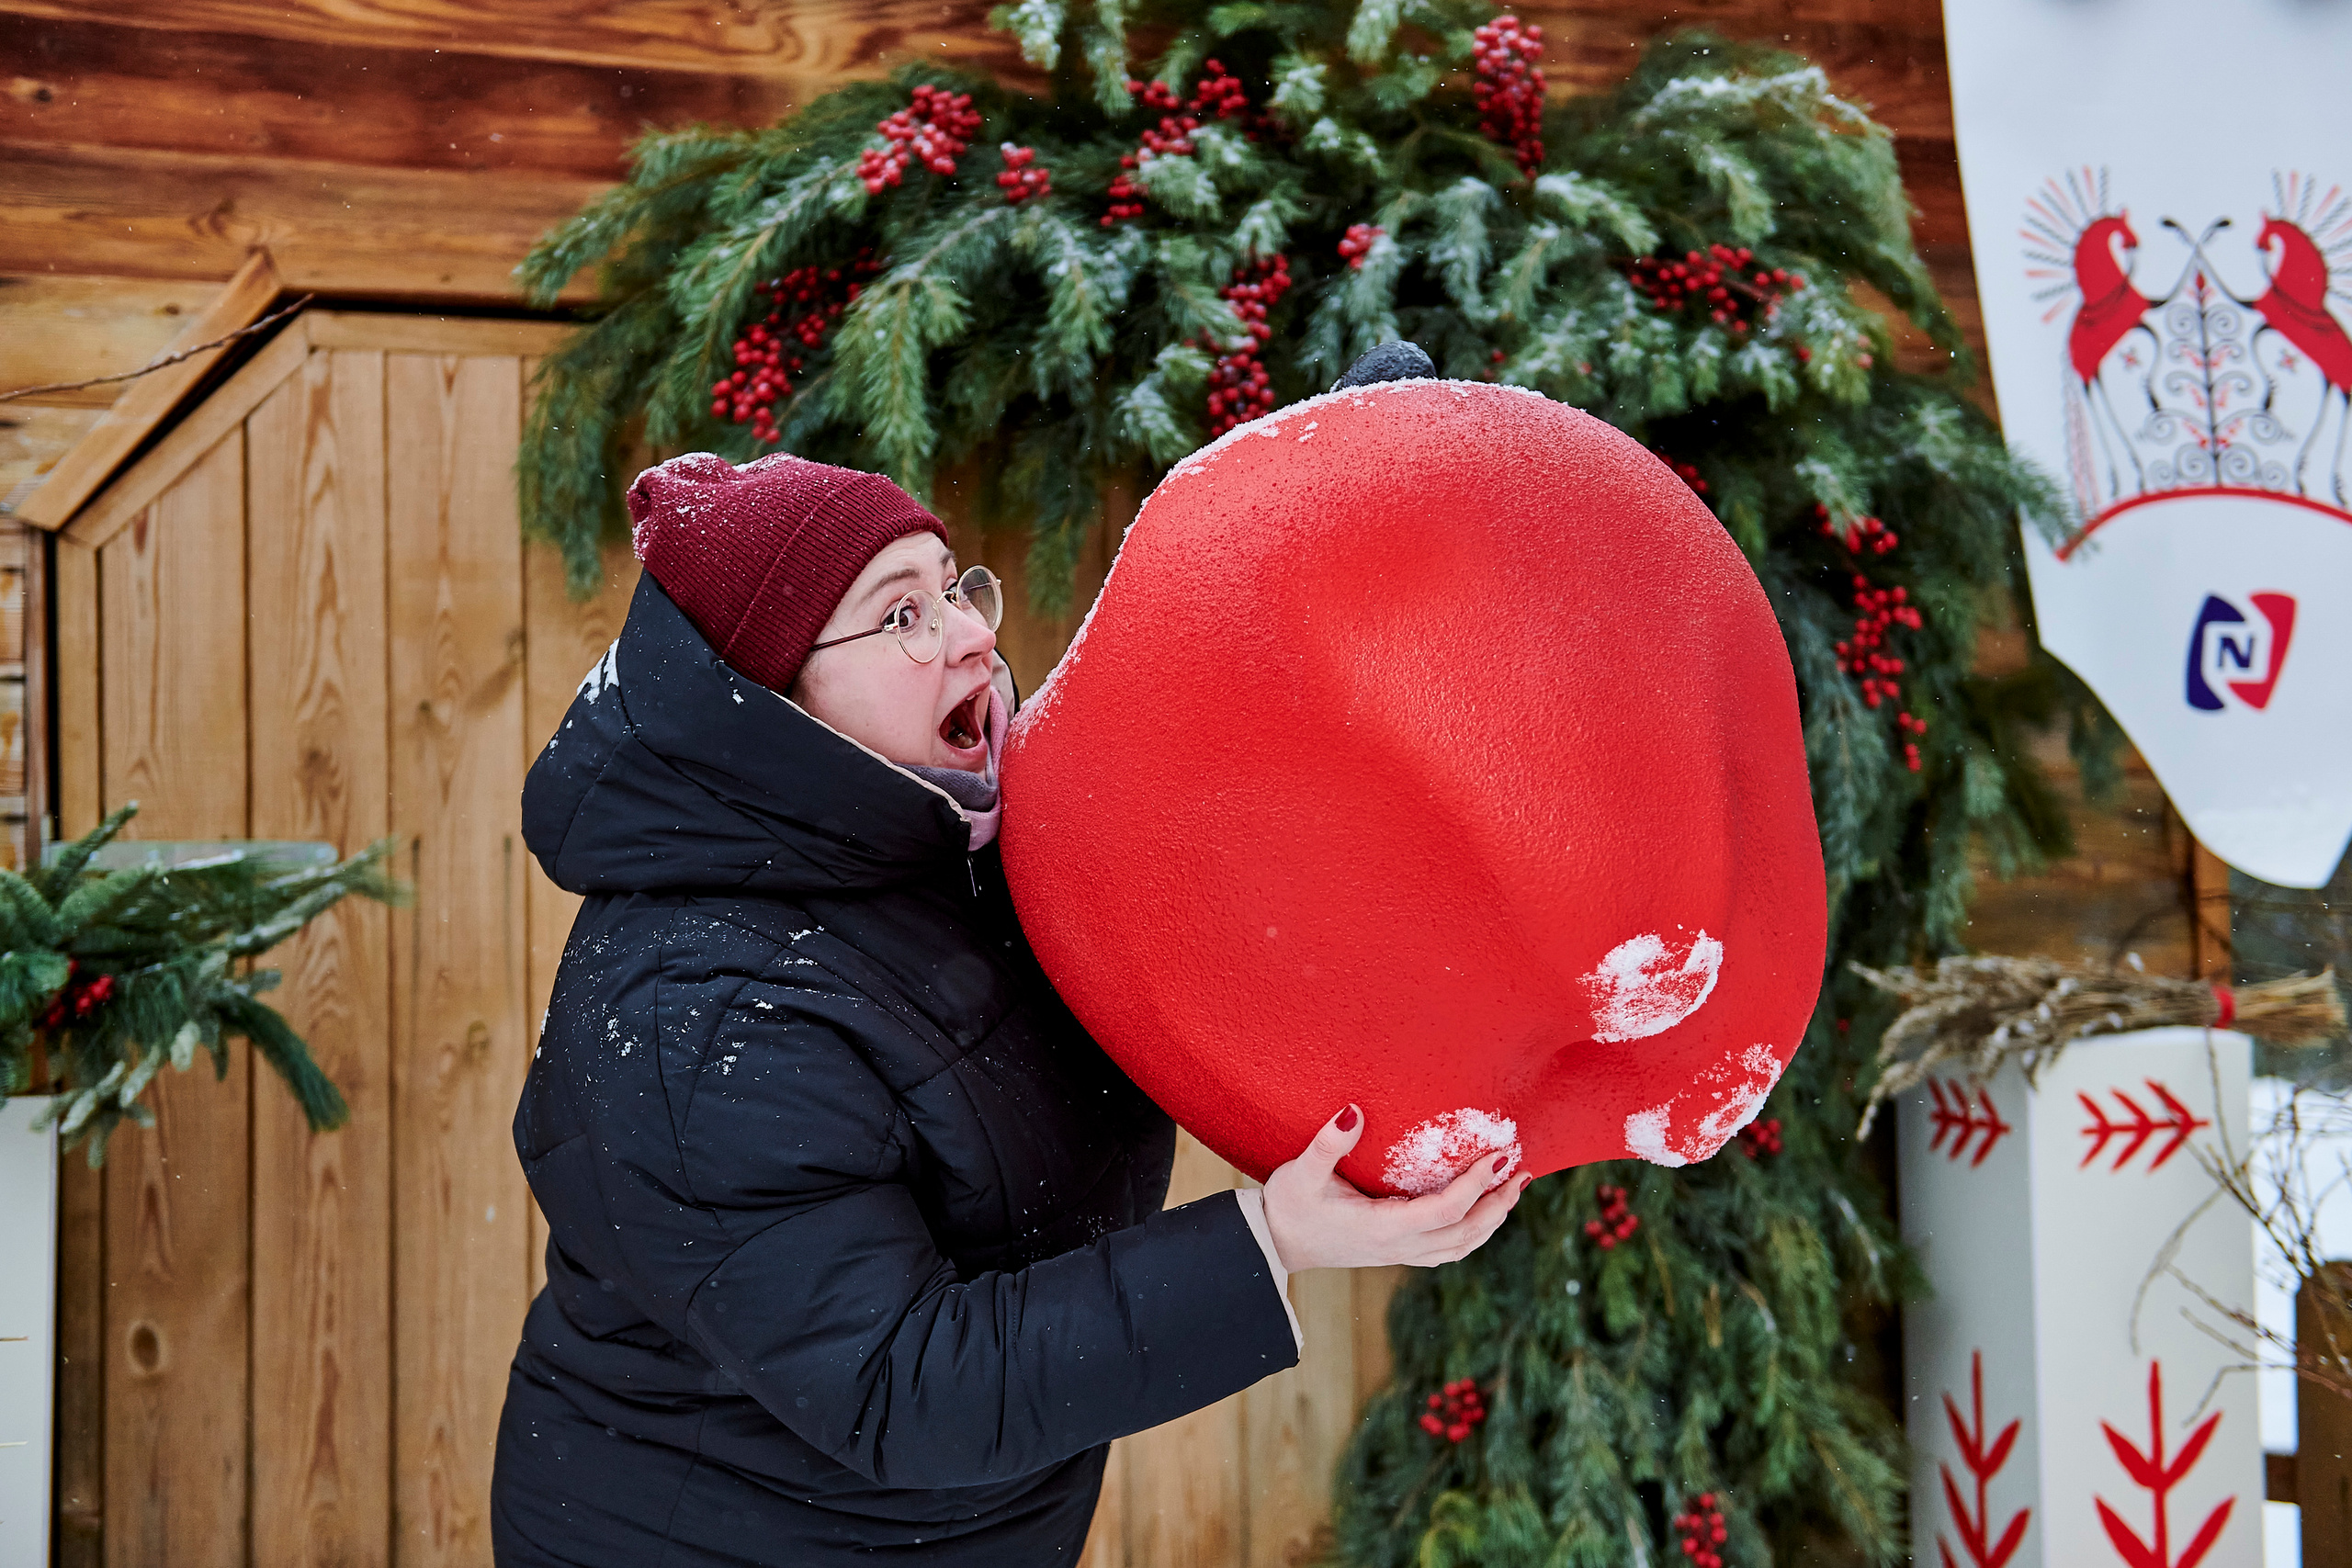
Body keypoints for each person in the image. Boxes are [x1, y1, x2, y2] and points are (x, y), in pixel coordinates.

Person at [491, 446, 1527, 1566]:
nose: (970, 636)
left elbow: (1193, 770)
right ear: (770, 705)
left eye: (952, 589)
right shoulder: (696, 1017)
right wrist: (1269, 1243)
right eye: (901, 617)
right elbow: (901, 1385)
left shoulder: (947, 837)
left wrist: (1347, 493)